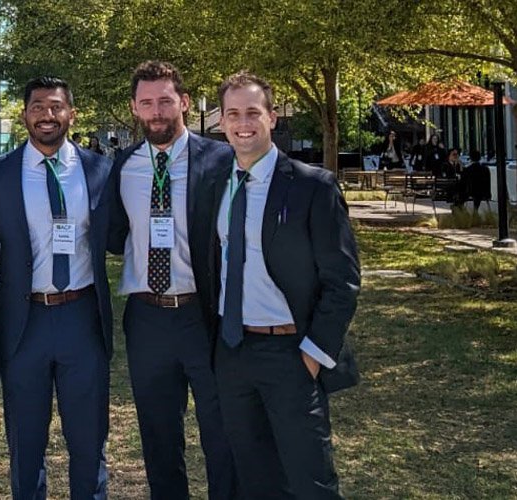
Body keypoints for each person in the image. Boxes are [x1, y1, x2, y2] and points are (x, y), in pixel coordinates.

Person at [212, 71, 360, 499]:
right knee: (255, 480)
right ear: (221, 121)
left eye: (253, 112)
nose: (244, 123)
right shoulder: (216, 186)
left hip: (292, 353)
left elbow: (343, 280)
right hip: (233, 352)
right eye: (234, 113)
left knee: (309, 480)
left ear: (272, 117)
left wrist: (312, 357)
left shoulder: (313, 186)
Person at [106, 60, 237, 500]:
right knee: (159, 438)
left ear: (183, 101)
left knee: (222, 433)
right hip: (147, 319)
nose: (157, 111)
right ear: (134, 108)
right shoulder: (123, 167)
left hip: (205, 315)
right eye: (147, 103)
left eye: (165, 100)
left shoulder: (220, 160)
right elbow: (110, 234)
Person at [0, 76, 112, 499]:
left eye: (56, 107)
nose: (47, 115)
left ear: (71, 114)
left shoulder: (100, 169)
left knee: (88, 437)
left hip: (81, 316)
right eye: (38, 106)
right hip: (24, 321)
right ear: (24, 115)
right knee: (26, 440)